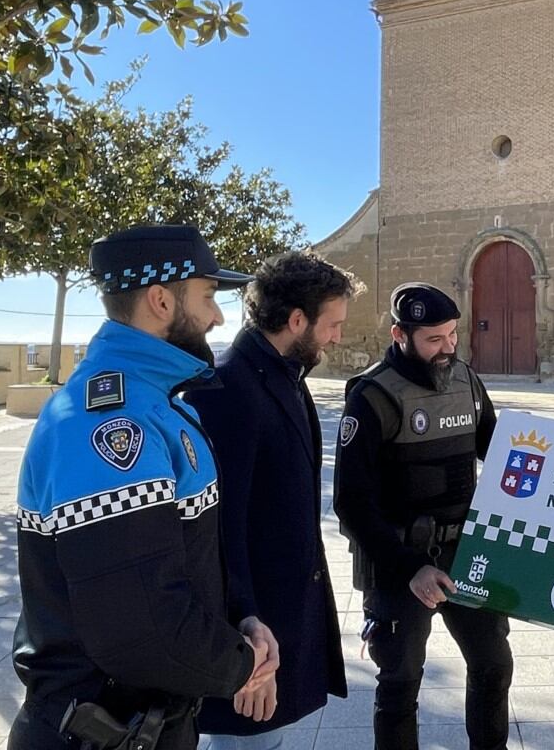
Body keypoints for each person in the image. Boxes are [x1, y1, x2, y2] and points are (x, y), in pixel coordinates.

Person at [9, 225, 280, 750]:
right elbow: (139, 623)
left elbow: (181, 562)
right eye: (208, 297)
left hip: (147, 721)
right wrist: (242, 664)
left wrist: (240, 620)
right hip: (97, 732)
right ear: (160, 299)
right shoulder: (108, 422)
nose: (218, 316)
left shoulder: (155, 402)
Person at [188, 252, 360, 747]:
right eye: (333, 325)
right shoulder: (228, 388)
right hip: (251, 636)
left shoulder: (284, 376)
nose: (337, 337)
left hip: (280, 625)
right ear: (297, 320)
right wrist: (242, 630)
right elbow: (217, 528)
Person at [333, 283, 513, 750]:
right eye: (434, 339)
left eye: (453, 335)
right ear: (400, 334)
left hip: (464, 553)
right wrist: (410, 568)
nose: (448, 348)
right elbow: (351, 503)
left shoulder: (467, 381)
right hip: (399, 563)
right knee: (400, 682)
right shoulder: (372, 397)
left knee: (494, 665)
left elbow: (502, 457)